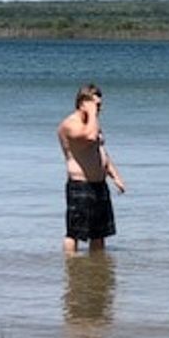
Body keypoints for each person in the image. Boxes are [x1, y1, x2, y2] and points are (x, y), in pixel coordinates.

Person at [57, 83, 126, 254]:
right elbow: (89, 137)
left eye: (100, 105)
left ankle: (96, 270)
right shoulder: (70, 124)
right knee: (74, 232)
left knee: (99, 233)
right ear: (82, 103)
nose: (100, 109)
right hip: (81, 185)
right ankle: (72, 266)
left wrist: (115, 176)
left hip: (99, 184)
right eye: (96, 105)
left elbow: (100, 151)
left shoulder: (93, 124)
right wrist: (93, 113)